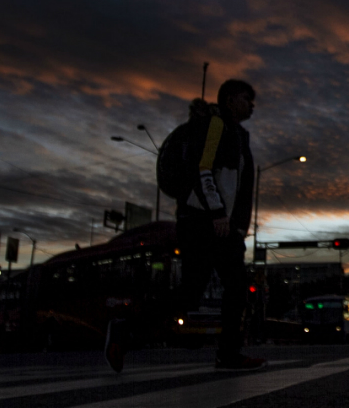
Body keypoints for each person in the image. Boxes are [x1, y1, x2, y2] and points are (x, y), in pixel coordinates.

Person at [105, 80, 265, 373]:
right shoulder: (214, 126)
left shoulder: (239, 135)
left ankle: (229, 354)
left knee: (236, 287)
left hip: (223, 227)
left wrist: (238, 228)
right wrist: (216, 213)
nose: (251, 105)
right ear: (230, 100)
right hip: (201, 223)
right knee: (190, 293)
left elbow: (241, 188)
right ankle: (123, 332)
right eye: (246, 98)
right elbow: (201, 170)